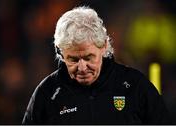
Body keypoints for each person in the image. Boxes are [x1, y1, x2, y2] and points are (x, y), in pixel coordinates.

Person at [22, 6, 171, 124]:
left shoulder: (136, 85)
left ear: (104, 46)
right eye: (73, 59)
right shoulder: (47, 93)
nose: (82, 67)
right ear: (60, 53)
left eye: (88, 58)